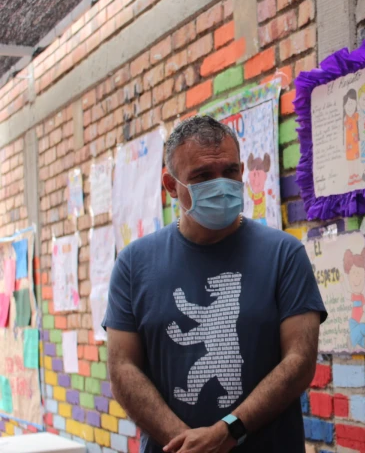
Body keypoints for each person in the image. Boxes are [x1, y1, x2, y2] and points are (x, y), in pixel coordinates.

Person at [103, 116, 327, 453]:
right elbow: (122, 367)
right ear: (170, 185)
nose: (221, 184)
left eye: (230, 171)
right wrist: (187, 443)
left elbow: (299, 361)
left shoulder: (284, 254)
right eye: (203, 176)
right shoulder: (134, 265)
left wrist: (228, 432)